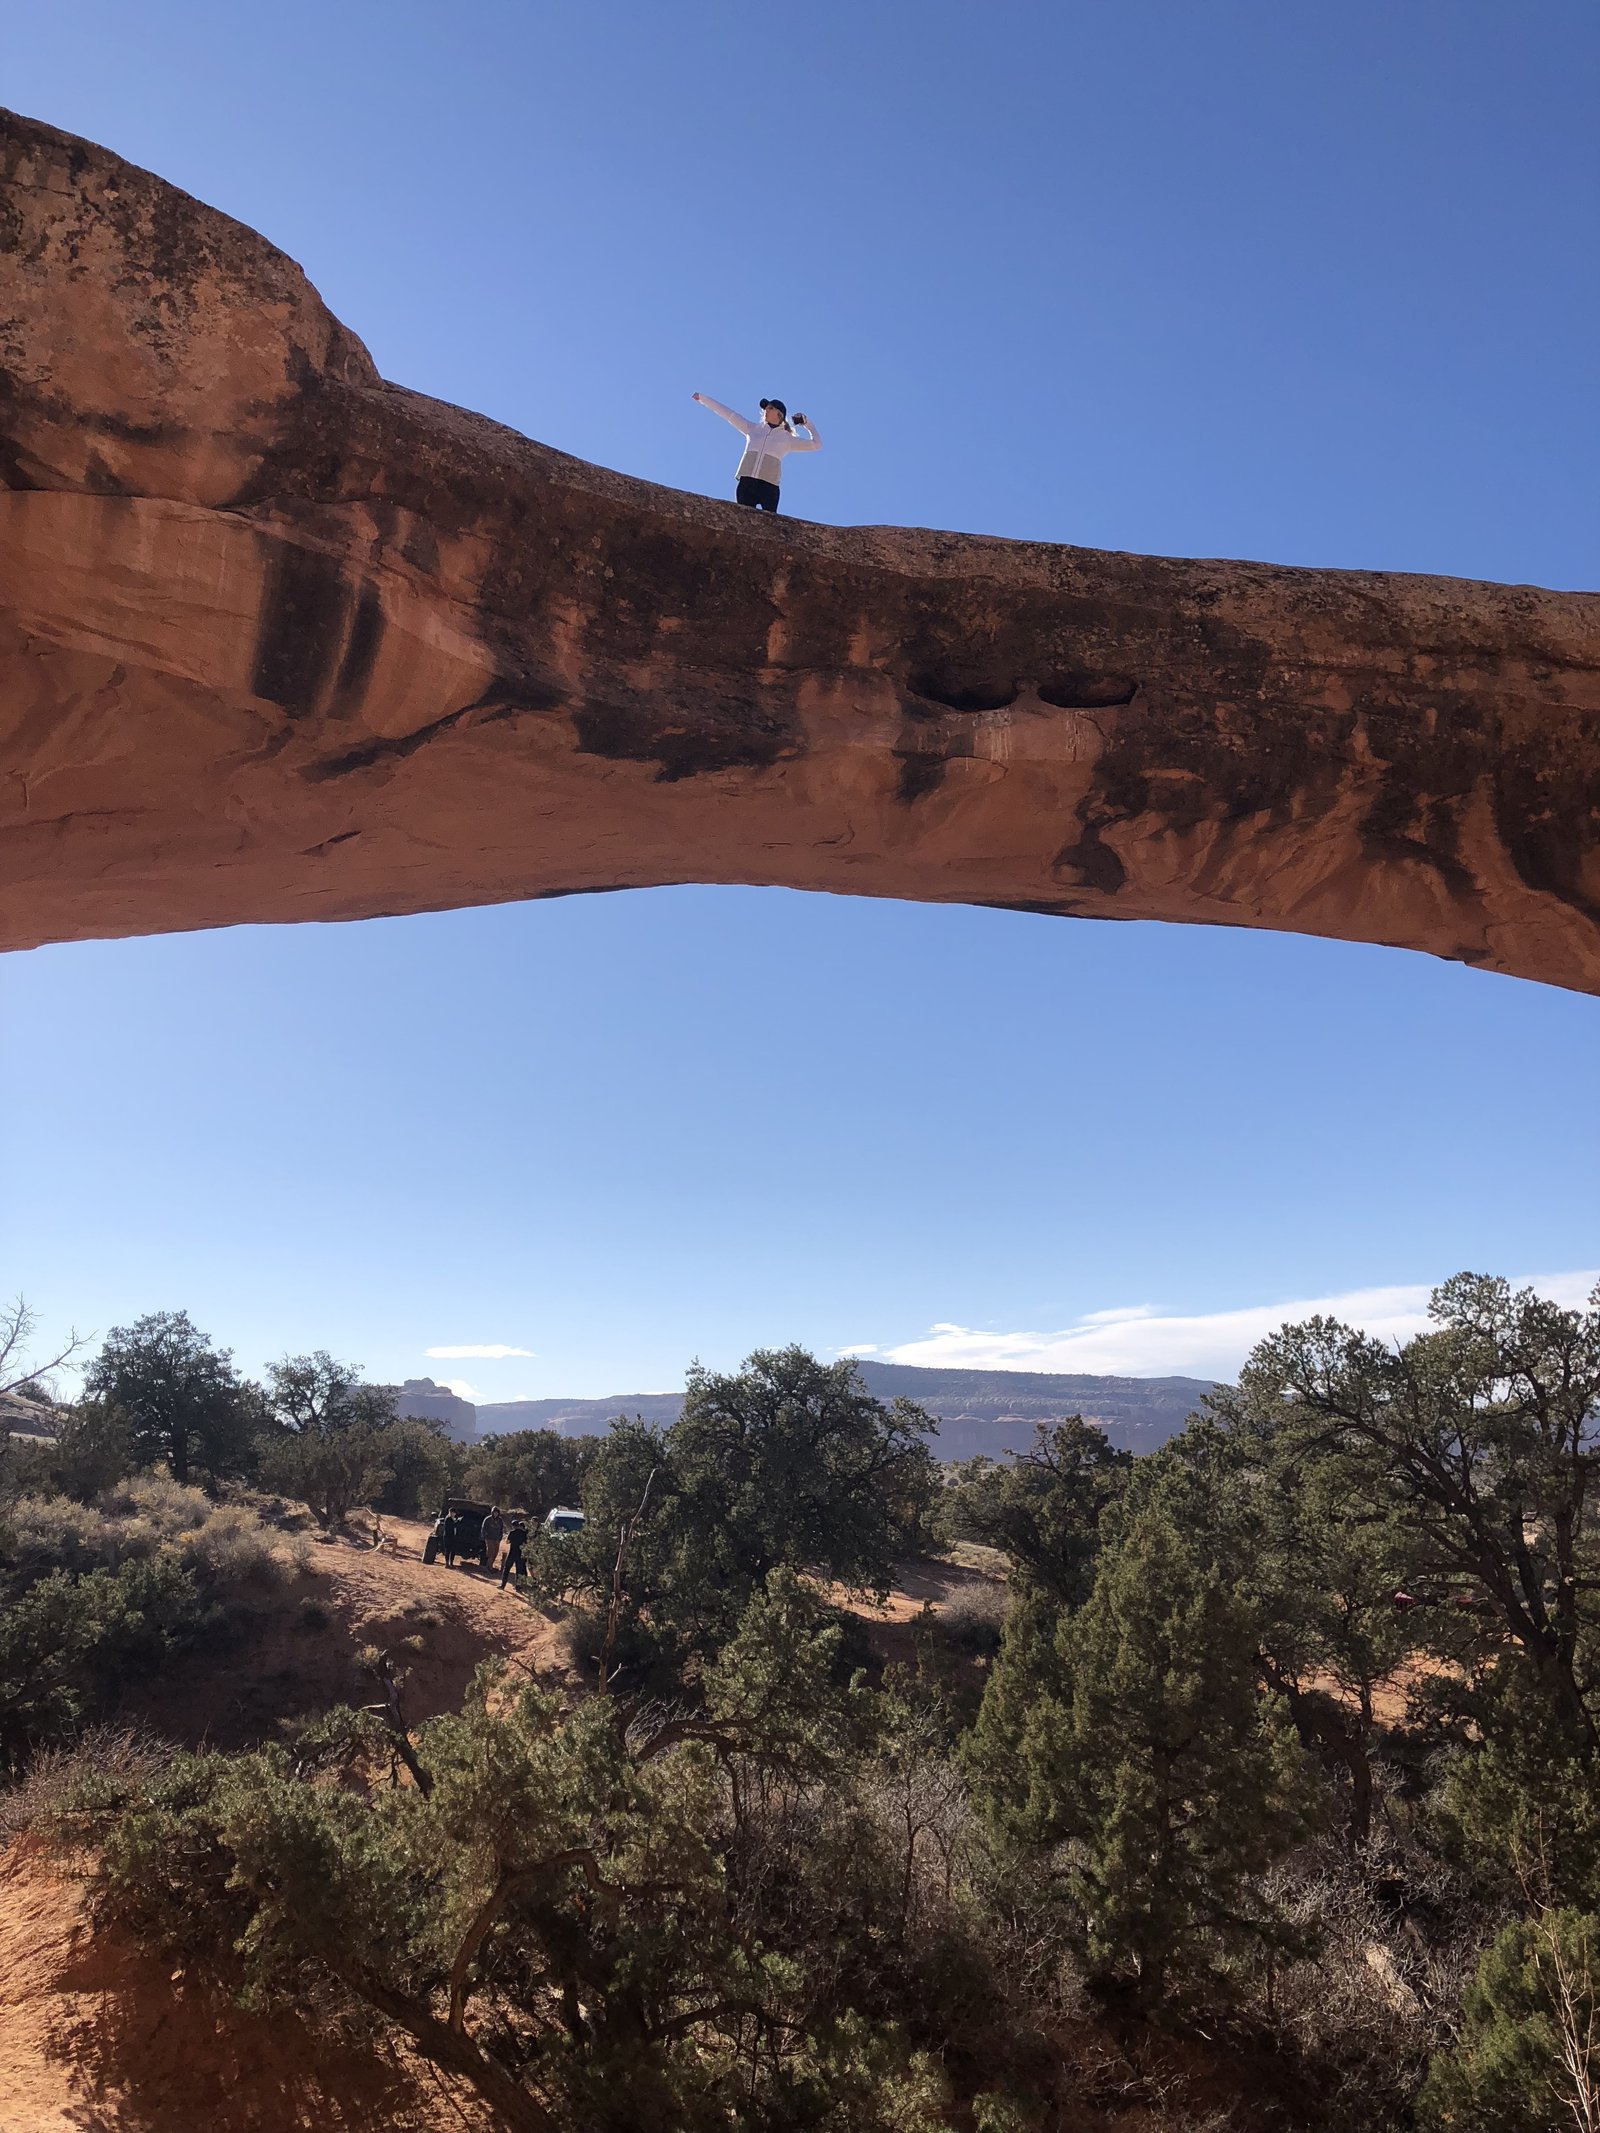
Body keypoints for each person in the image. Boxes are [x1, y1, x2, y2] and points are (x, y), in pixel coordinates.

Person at [692, 393, 820, 514]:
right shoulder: (752, 429)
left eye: (770, 408)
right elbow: (729, 414)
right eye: (765, 408)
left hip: (769, 487)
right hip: (746, 483)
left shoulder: (787, 439)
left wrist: (807, 423)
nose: (766, 410)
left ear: (779, 414)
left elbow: (816, 444)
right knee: (742, 520)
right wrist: (703, 398)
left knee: (770, 524)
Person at [499, 1513, 530, 1590]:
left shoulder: (512, 1533)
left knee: (506, 1569)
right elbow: (526, 1543)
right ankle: (518, 1587)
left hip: (512, 1553)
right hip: (520, 1553)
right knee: (519, 1571)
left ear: (513, 1526)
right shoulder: (524, 1534)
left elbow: (507, 1542)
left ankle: (503, 1585)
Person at [480, 1505, 504, 1573]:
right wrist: (485, 1536)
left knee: (495, 1553)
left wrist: (500, 1538)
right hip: (489, 1539)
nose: (495, 1514)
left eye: (497, 1512)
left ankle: (491, 1566)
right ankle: (488, 1567)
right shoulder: (488, 1519)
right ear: (492, 1513)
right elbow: (483, 1528)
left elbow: (501, 1530)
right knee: (491, 1553)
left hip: (497, 1539)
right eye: (494, 1512)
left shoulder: (500, 1520)